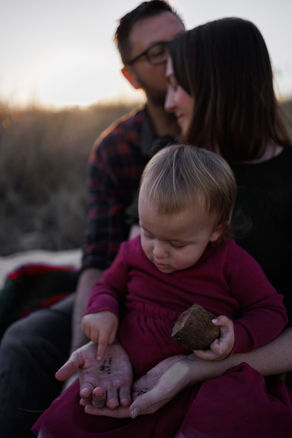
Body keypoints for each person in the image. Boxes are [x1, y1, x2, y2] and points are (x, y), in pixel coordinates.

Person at [51, 16, 292, 437]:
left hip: (244, 368)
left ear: (219, 88)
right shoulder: (173, 163)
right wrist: (110, 346)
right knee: (25, 348)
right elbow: (127, 271)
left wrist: (196, 367)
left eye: (179, 86)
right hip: (141, 344)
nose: (168, 101)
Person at [0, 2, 185, 437]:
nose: (178, 59)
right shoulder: (115, 148)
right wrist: (86, 353)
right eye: (159, 52)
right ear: (131, 76)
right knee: (24, 343)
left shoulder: (217, 127)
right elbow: (98, 256)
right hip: (121, 290)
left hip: (190, 297)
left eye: (184, 42)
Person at [33, 144, 289, 437]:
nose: (158, 252)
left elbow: (271, 310)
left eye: (177, 244)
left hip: (200, 379)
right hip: (129, 374)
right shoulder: (132, 253)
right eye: (148, 233)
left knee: (229, 406)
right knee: (69, 416)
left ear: (216, 230)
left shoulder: (231, 262)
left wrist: (238, 334)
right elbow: (108, 286)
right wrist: (102, 310)